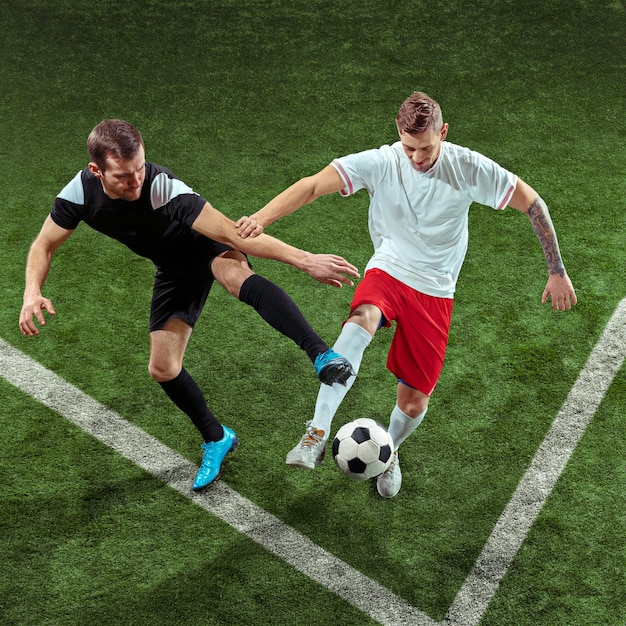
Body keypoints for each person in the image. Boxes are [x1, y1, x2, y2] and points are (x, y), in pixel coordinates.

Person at [236, 91, 577, 498]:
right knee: (361, 320)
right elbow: (311, 186)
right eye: (409, 146)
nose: (417, 157)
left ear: (443, 133)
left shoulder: (468, 166)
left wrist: (557, 270)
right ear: (398, 134)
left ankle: (390, 450)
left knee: (414, 402)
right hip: (390, 268)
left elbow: (532, 202)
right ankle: (317, 431)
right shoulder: (383, 161)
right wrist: (260, 218)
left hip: (435, 289)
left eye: (426, 147)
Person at [19, 119, 359, 491]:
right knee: (163, 367)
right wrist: (31, 292)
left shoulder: (161, 186)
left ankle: (321, 354)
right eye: (123, 176)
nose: (135, 182)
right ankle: (217, 437)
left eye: (139, 169)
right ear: (96, 170)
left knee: (234, 277)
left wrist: (304, 259)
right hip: (174, 270)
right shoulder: (79, 195)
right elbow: (43, 245)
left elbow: (230, 232)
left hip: (205, 246)